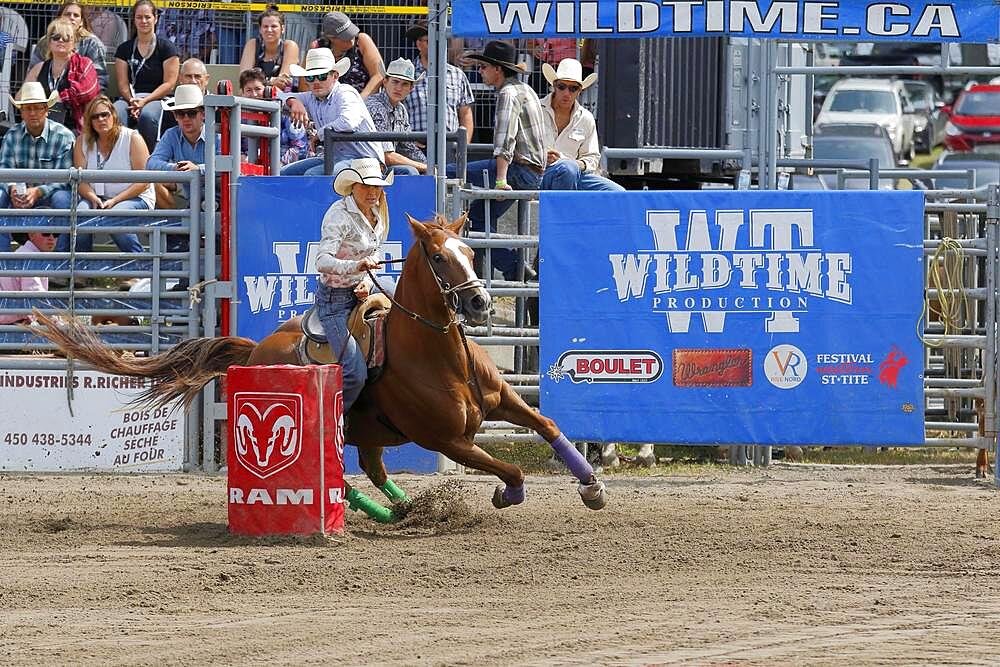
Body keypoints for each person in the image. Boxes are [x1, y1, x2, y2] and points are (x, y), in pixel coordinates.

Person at [314, 157, 392, 413]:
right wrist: (355, 268)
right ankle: (333, 425)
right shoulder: (338, 215)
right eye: (365, 186)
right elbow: (322, 261)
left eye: (376, 187)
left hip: (363, 290)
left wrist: (367, 281)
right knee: (354, 373)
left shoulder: (376, 215)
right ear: (353, 187)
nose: (372, 192)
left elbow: (375, 253)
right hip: (334, 302)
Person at [464, 41, 545, 281]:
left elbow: (505, 140)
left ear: (497, 69)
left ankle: (514, 268)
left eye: (483, 67)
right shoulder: (526, 89)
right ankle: (514, 270)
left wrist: (500, 180)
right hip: (532, 170)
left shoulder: (508, 94)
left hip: (517, 171)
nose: (480, 71)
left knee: (448, 171)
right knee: (477, 220)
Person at [60, 95, 153, 254]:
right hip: (96, 197)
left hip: (135, 197)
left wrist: (115, 201)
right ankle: (83, 270)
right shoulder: (82, 141)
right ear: (90, 121)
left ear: (113, 115)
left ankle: (139, 264)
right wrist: (92, 197)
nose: (101, 119)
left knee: (115, 216)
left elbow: (144, 182)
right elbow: (80, 181)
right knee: (80, 214)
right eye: (95, 116)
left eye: (105, 114)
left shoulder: (132, 138)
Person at [283, 48, 383, 176]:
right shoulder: (311, 96)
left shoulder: (345, 92)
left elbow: (348, 122)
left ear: (335, 76)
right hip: (336, 159)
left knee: (313, 174)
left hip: (366, 160)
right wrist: (292, 101)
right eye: (310, 78)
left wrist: (319, 134)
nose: (316, 82)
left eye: (322, 76)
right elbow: (279, 97)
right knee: (285, 172)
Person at [0, 83, 75, 253]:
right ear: (22, 112)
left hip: (49, 198)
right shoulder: (12, 135)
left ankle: (59, 264)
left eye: (37, 108)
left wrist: (38, 192)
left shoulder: (64, 137)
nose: (32, 113)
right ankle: (3, 264)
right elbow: (4, 170)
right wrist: (12, 188)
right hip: (18, 199)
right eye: (27, 109)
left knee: (63, 199)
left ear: (46, 110)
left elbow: (65, 179)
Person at [146, 84, 219, 254]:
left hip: (222, 200)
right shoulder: (172, 135)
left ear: (202, 114)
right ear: (175, 116)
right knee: (175, 227)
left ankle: (187, 273)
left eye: (191, 113)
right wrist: (175, 168)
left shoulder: (218, 135)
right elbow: (151, 163)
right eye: (180, 113)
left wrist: (197, 169)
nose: (186, 118)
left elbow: (229, 166)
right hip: (194, 203)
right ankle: (185, 272)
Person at [539, 59, 624, 192]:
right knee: (567, 170)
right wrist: (542, 157)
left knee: (618, 193)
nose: (567, 93)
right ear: (554, 86)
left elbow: (592, 158)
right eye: (562, 87)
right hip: (538, 173)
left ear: (580, 91)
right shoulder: (536, 109)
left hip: (574, 174)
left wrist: (571, 163)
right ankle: (564, 212)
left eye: (573, 88)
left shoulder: (586, 118)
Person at [113, 0, 179, 151]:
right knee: (116, 111)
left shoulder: (167, 48)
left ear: (155, 18)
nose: (143, 21)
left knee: (148, 116)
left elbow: (169, 84)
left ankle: (148, 157)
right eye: (139, 17)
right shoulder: (124, 49)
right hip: (131, 98)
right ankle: (121, 154)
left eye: (147, 17)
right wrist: (132, 101)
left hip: (157, 98)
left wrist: (145, 101)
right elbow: (123, 84)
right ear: (134, 19)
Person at [402, 20, 475, 148]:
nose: (437, 44)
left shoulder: (457, 75)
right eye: (431, 40)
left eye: (441, 39)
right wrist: (407, 140)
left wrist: (463, 147)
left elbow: (465, 114)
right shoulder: (405, 74)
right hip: (414, 147)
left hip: (449, 146)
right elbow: (394, 109)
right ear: (419, 44)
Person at [24, 18, 100, 134]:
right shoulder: (39, 68)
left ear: (73, 43)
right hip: (41, 126)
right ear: (49, 42)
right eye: (56, 37)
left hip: (74, 127)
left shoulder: (84, 64)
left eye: (66, 38)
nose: (60, 40)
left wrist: (59, 99)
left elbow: (88, 91)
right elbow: (21, 97)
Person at [239, 68, 313, 166]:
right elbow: (234, 147)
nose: (254, 94)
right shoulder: (239, 118)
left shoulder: (286, 114)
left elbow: (300, 147)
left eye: (258, 89)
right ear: (243, 93)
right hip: (249, 169)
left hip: (285, 170)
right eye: (248, 90)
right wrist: (243, 159)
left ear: (267, 90)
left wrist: (278, 164)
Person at [29, 2, 108, 92]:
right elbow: (32, 75)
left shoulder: (92, 43)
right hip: (44, 95)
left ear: (81, 21)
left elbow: (100, 80)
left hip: (81, 97)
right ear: (59, 18)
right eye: (67, 14)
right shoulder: (45, 41)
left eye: (76, 15)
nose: (71, 18)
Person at [366, 58, 426, 176]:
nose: (399, 88)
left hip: (379, 166)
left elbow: (409, 148)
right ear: (385, 82)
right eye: (395, 82)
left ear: (411, 89)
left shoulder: (401, 109)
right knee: (410, 172)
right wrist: (424, 166)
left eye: (404, 84)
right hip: (365, 165)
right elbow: (386, 155)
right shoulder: (375, 106)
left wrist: (430, 167)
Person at [312, 12, 383, 99]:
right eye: (346, 37)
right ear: (331, 38)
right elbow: (305, 81)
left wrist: (359, 102)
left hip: (361, 101)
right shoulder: (317, 48)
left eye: (352, 34)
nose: (352, 40)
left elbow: (379, 75)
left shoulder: (362, 41)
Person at [0, 232, 58, 326]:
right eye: (45, 233)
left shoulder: (28, 253)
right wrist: (56, 322)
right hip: (8, 319)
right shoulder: (29, 257)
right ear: (31, 235)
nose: (51, 238)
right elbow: (35, 296)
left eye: (56, 234)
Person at [239, 4, 298, 92]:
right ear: (260, 29)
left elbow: (283, 82)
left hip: (281, 97)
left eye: (274, 26)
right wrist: (272, 81)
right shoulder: (252, 44)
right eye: (265, 26)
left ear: (282, 29)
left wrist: (260, 84)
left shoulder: (290, 46)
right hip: (254, 95)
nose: (269, 30)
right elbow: (244, 79)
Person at [158, 57, 208, 137]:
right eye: (180, 113)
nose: (193, 81)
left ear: (206, 79)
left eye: (197, 76)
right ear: (180, 79)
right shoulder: (171, 106)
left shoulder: (216, 107)